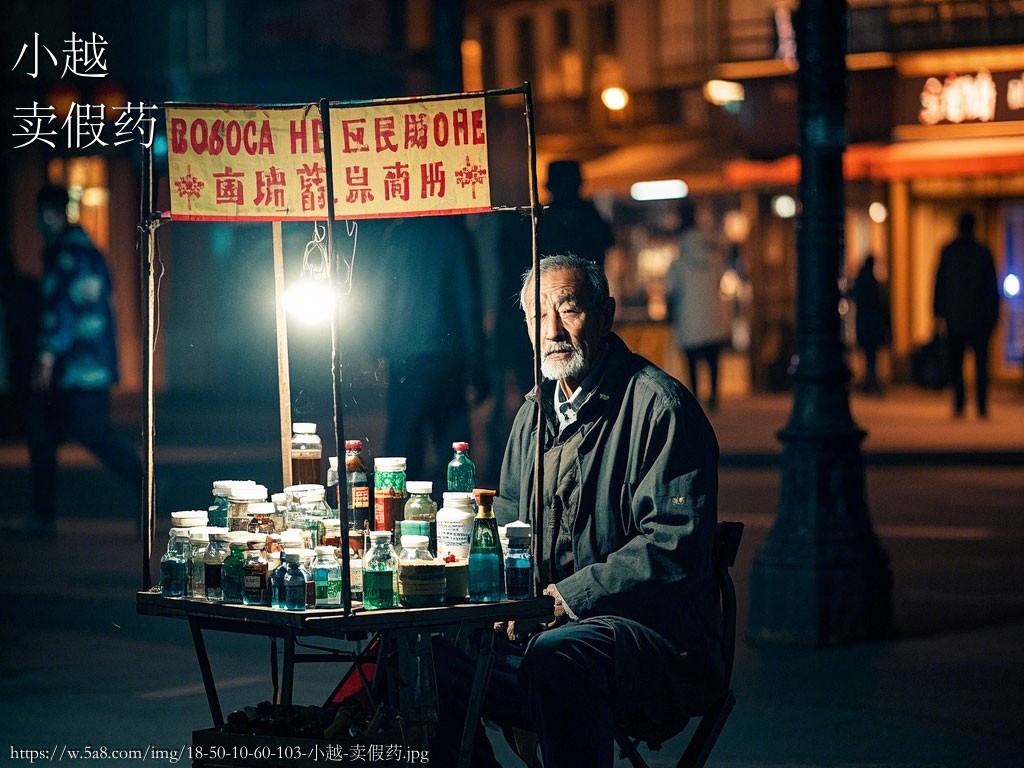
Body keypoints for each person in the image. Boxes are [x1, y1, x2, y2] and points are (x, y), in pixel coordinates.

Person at [430, 253, 724, 768]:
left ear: (606, 314)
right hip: (543, 625)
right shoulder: (532, 415)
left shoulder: (660, 408)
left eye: (569, 309)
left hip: (649, 642)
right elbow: (506, 522)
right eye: (538, 316)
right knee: (418, 653)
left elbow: (673, 545)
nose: (554, 330)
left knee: (559, 658)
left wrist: (567, 598)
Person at [5, 184, 143, 538]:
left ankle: (147, 485)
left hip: (76, 368)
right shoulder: (86, 250)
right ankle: (45, 513)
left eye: (39, 215)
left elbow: (61, 309)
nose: (37, 223)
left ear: (49, 213)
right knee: (54, 434)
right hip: (90, 365)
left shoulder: (65, 254)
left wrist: (47, 355)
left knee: (85, 434)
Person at [377, 215, 489, 493]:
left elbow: (383, 296)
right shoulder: (455, 235)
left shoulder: (399, 234)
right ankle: (456, 526)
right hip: (447, 360)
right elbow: (468, 303)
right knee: (454, 459)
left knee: (402, 454)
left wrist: (380, 345)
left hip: (405, 358)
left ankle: (397, 523)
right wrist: (478, 365)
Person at [665, 197, 731, 412]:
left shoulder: (679, 262)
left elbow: (670, 290)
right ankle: (714, 398)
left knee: (691, 361)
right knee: (713, 360)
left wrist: (670, 314)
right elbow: (721, 281)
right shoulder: (714, 258)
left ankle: (694, 397)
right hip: (712, 314)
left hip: (688, 316)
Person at [933, 211, 1000, 418]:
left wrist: (938, 313)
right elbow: (991, 288)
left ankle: (959, 403)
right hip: (979, 319)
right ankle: (981, 405)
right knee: (981, 364)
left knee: (957, 364)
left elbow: (939, 284)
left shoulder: (949, 252)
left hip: (956, 318)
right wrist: (993, 316)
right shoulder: (982, 253)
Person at [537, 159, 614, 271]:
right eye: (561, 184)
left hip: (585, 280)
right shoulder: (544, 217)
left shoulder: (589, 216)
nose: (565, 190)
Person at [851, 253, 890, 394]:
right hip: (872, 325)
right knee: (871, 356)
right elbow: (882, 305)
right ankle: (870, 380)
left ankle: (870, 380)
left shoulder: (862, 282)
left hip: (866, 324)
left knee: (869, 356)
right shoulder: (873, 283)